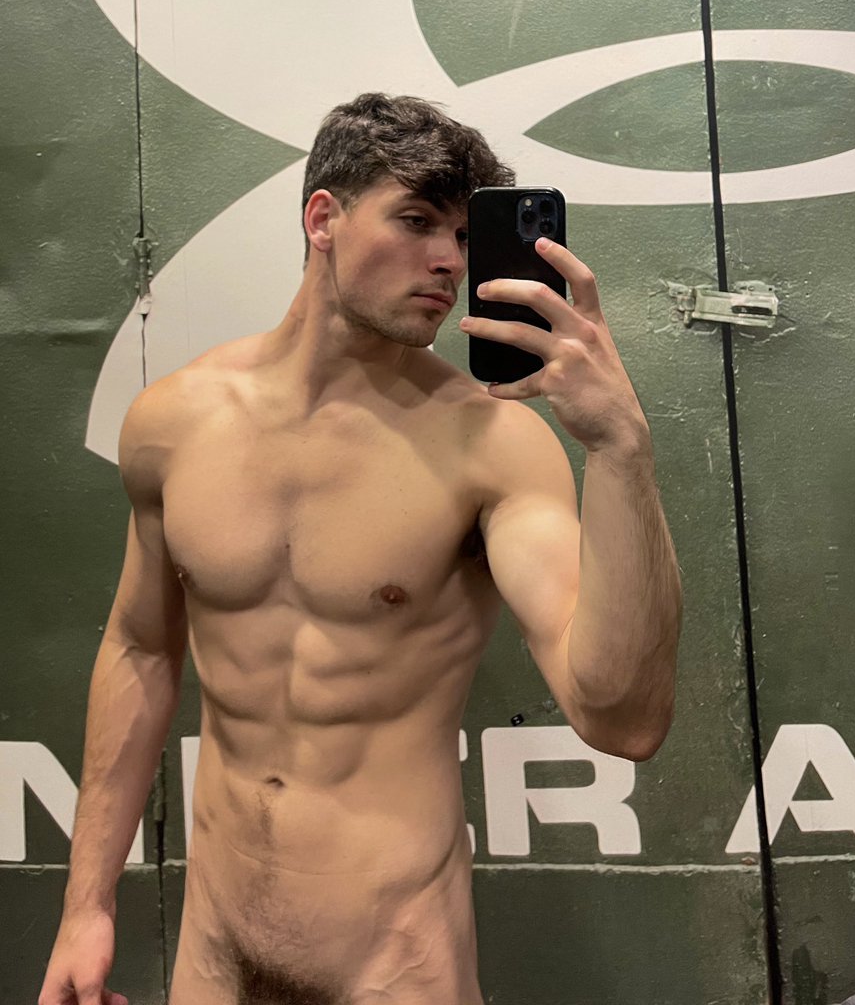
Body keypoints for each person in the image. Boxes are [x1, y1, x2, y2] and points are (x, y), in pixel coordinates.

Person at [38, 93, 682, 1005]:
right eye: (418, 221)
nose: (449, 259)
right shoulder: (173, 422)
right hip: (214, 957)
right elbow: (140, 649)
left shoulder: (491, 445)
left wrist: (622, 451)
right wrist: (86, 906)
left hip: (396, 965)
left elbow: (623, 721)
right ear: (322, 220)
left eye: (463, 235)